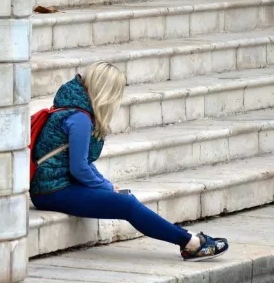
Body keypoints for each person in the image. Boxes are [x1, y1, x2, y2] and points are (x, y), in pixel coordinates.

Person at [30, 61, 228, 261]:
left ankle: (186, 238)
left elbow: (83, 162)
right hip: (51, 192)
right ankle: (190, 243)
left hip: (57, 185)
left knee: (125, 199)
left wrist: (106, 185)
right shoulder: (80, 119)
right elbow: (79, 168)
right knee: (128, 205)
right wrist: (106, 186)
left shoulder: (73, 108)